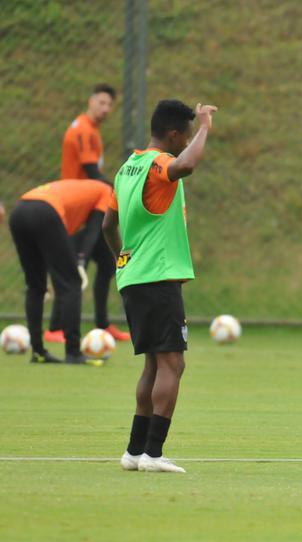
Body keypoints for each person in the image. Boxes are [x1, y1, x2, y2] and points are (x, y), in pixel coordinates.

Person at [103, 99, 217, 474]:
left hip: (134, 276)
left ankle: (135, 452)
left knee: (153, 365)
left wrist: (123, 260)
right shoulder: (158, 164)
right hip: (158, 275)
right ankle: (153, 454)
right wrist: (205, 127)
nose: (187, 142)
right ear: (173, 134)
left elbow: (108, 226)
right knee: (173, 363)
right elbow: (186, 164)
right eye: (185, 135)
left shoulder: (126, 169)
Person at [48, 83, 128, 344]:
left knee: (107, 264)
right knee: (71, 269)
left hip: (89, 208)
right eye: (101, 102)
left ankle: (103, 326)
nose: (105, 109)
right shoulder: (82, 129)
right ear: (91, 101)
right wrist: (120, 188)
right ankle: (54, 328)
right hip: (74, 209)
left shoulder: (92, 130)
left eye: (109, 105)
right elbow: (91, 171)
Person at [7, 179, 112, 364]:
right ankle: (73, 353)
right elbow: (94, 231)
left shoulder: (83, 187)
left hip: (19, 210)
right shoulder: (107, 191)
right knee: (71, 284)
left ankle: (38, 352)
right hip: (45, 211)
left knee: (35, 286)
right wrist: (80, 261)